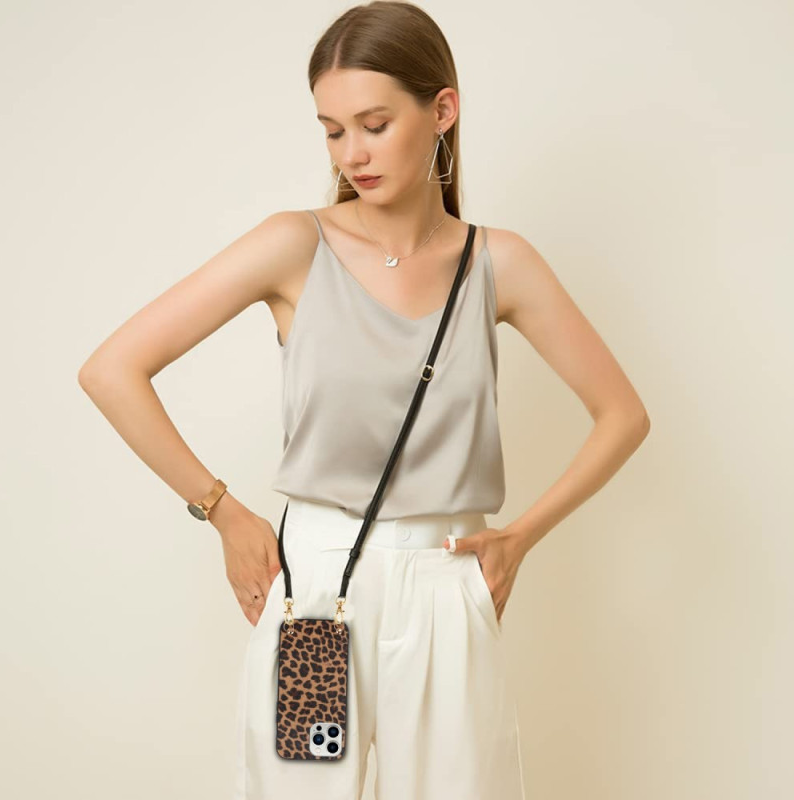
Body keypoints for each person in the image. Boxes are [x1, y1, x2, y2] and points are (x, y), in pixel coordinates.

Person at [78, 2, 651, 799]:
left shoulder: (500, 263)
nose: (353, 154)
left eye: (375, 125)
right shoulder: (294, 245)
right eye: (332, 131)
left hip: (447, 589)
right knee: (304, 791)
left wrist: (519, 538)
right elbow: (112, 370)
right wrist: (223, 511)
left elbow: (623, 416)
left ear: (442, 110)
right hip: (317, 591)